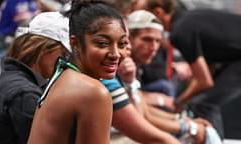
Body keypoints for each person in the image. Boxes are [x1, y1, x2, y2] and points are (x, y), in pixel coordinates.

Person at [27, 1, 128, 144]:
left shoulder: (63, 74)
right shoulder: (94, 92)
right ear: (75, 43)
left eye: (122, 44)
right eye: (102, 43)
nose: (116, 54)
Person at [147, 0, 241, 138]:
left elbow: (205, 81)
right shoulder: (190, 19)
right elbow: (207, 73)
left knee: (203, 104)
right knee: (202, 101)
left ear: (158, 13)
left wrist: (178, 102)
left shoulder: (180, 31)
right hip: (234, 58)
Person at [0, 11, 71, 143]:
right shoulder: (24, 93)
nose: (64, 62)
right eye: (64, 54)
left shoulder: (13, 76)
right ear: (44, 49)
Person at [101, 8, 181, 144]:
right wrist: (190, 128)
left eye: (157, 41)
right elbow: (142, 119)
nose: (153, 47)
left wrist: (182, 122)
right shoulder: (108, 73)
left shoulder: (132, 68)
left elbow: (142, 113)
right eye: (147, 40)